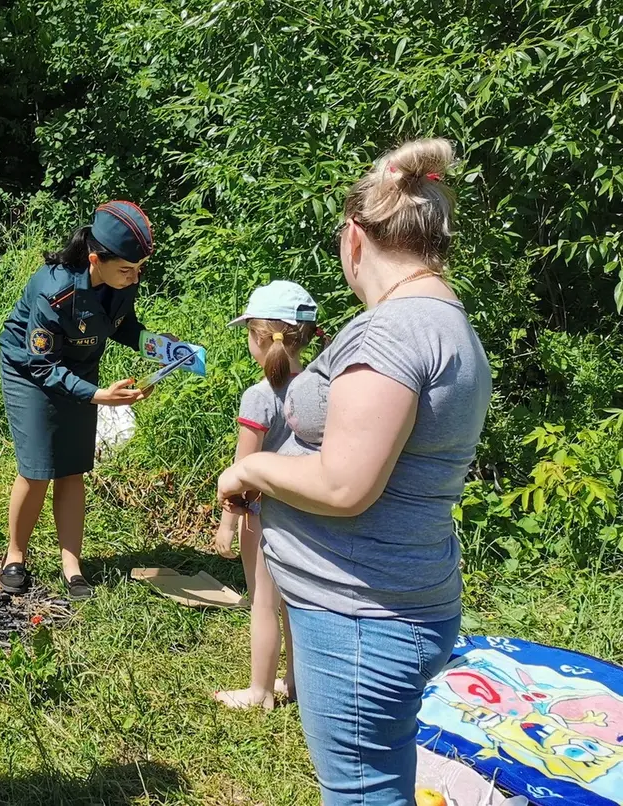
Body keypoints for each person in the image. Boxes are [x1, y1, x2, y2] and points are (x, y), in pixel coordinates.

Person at [217, 138, 492, 806]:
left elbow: (345, 485)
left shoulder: (393, 332)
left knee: (363, 794)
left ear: (354, 239)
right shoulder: (442, 322)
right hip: (397, 599)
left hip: (362, 616)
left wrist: (250, 469)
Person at [0, 201, 169, 599]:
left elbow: (123, 327)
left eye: (139, 269)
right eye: (127, 270)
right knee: (38, 467)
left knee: (72, 467)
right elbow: (41, 365)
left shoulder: (121, 280)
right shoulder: (53, 290)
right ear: (95, 259)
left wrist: (163, 350)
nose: (134, 277)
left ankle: (72, 566)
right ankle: (15, 556)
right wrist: (97, 396)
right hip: (30, 371)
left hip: (81, 367)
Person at [212, 280, 320, 710]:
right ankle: (295, 683)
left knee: (263, 602)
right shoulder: (317, 388)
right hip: (308, 509)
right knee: (295, 602)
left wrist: (228, 522)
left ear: (259, 339)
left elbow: (243, 471)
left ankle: (259, 691)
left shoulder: (258, 397)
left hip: (261, 513)